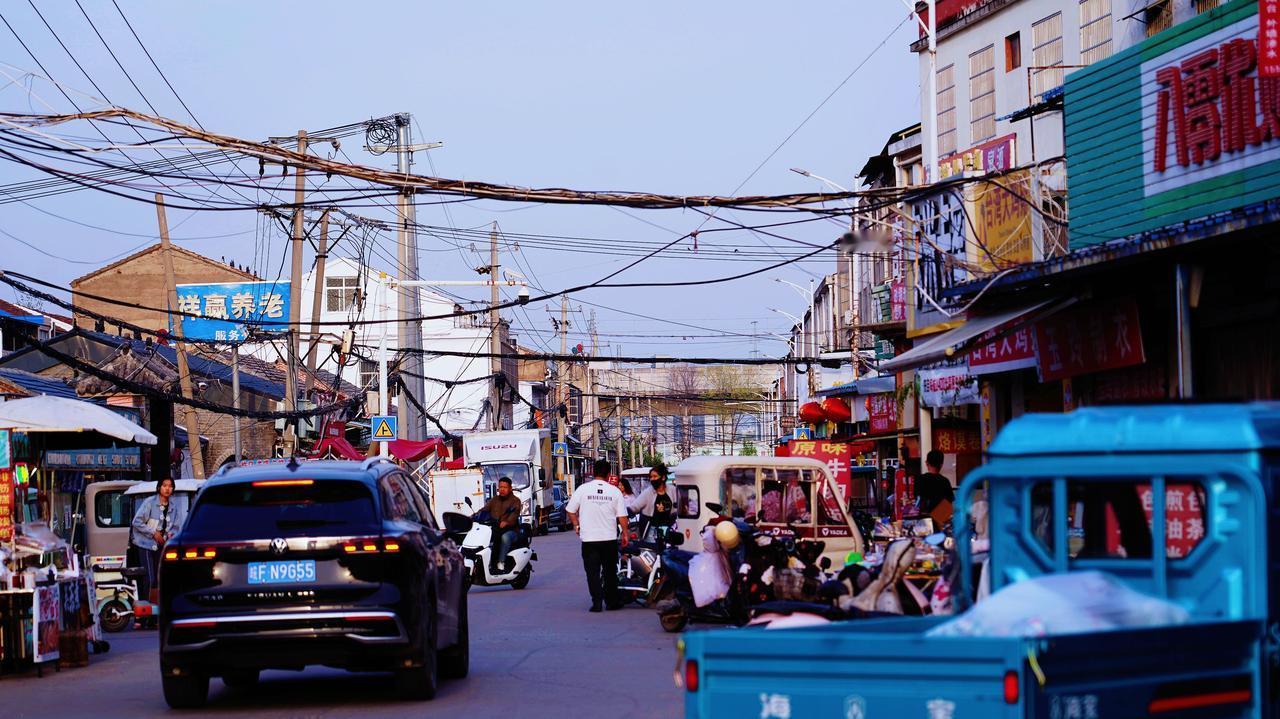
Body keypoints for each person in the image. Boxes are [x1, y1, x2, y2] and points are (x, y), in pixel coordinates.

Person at [567, 459, 629, 612]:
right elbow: (622, 517)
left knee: (592, 572)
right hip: (609, 538)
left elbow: (570, 510)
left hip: (589, 539)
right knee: (609, 572)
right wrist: (626, 534)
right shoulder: (614, 491)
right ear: (609, 475)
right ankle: (611, 602)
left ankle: (596, 603)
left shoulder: (582, 489)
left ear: (594, 473)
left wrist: (576, 525)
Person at [131, 477, 187, 598]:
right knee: (150, 578)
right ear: (159, 488)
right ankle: (146, 607)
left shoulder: (173, 506)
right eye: (164, 485)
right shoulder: (149, 502)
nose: (167, 488)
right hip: (145, 544)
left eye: (170, 486)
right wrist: (153, 533)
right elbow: (136, 522)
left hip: (162, 545)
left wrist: (170, 535)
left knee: (161, 577)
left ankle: (158, 607)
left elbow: (176, 527)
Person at [481, 477, 522, 574]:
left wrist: (507, 522)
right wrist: (474, 517)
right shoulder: (494, 499)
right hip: (496, 528)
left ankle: (501, 563)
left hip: (511, 530)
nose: (502, 489)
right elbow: (485, 509)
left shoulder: (515, 501)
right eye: (500, 487)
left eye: (505, 487)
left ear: (510, 488)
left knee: (505, 537)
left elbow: (514, 514)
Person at [627, 463, 675, 541]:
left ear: (663, 477)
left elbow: (681, 505)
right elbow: (634, 507)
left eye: (655, 476)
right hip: (652, 529)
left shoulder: (672, 490)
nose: (652, 479)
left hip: (669, 527)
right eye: (651, 477)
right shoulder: (648, 492)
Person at [915, 450, 956, 523]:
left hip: (923, 523)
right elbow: (949, 505)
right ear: (941, 464)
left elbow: (917, 502)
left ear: (927, 463)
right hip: (940, 522)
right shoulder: (945, 481)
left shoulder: (920, 479)